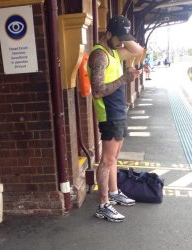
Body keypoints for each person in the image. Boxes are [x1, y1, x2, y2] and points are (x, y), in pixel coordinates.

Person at [88, 15, 144, 222]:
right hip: (109, 114)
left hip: (118, 111)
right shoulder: (100, 55)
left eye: (124, 38)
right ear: (108, 34)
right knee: (107, 160)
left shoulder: (112, 52)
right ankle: (103, 204)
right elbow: (97, 91)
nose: (123, 43)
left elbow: (136, 50)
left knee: (114, 157)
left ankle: (113, 192)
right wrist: (124, 78)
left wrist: (124, 35)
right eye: (119, 38)